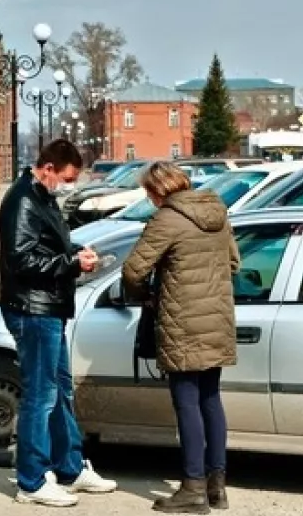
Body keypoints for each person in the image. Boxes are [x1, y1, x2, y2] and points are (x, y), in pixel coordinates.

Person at [0, 138, 117, 507]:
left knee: (60, 389)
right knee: (41, 394)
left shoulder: (41, 198)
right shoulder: (23, 201)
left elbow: (45, 248)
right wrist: (71, 265)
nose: (67, 186)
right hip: (32, 309)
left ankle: (70, 468)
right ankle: (31, 481)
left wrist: (75, 255)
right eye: (65, 179)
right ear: (48, 168)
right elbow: (21, 261)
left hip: (48, 307)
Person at [122, 161, 240, 514]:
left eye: (149, 192)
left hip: (182, 321)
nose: (149, 199)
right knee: (210, 399)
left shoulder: (166, 219)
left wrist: (148, 294)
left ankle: (192, 488)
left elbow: (133, 270)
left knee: (186, 402)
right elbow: (234, 263)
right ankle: (217, 487)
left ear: (159, 190)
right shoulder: (217, 212)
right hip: (217, 318)